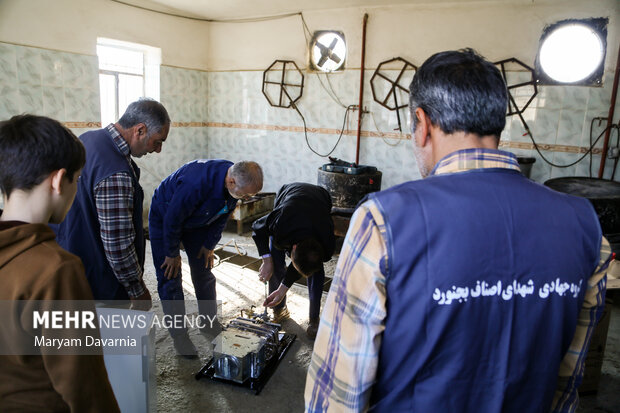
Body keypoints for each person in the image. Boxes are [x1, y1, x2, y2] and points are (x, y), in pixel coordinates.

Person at [305, 49, 611, 412]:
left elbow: (340, 387)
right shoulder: (584, 225)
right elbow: (566, 379)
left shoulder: (384, 220)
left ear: (422, 123)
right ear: (497, 121)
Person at [0, 114, 120, 412]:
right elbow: (84, 384)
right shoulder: (55, 269)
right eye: (77, 180)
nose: (76, 189)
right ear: (57, 180)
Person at [55, 98, 170, 310]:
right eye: (157, 141)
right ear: (140, 130)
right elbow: (118, 244)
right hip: (98, 278)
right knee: (108, 337)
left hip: (70, 258)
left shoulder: (89, 139)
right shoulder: (116, 173)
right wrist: (138, 290)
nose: (158, 150)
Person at [149, 159, 263, 357]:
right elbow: (172, 219)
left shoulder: (234, 180)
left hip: (198, 220)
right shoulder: (196, 183)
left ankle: (208, 322)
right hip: (165, 217)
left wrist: (209, 245)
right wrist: (172, 253)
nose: (244, 199)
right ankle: (180, 336)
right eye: (244, 195)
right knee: (170, 277)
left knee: (204, 271)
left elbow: (222, 215)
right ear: (232, 182)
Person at [252, 182, 335, 340]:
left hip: (320, 197)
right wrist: (267, 260)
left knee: (316, 270)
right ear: (293, 248)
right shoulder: (281, 222)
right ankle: (279, 308)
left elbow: (302, 265)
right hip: (289, 195)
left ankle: (314, 318)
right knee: (275, 258)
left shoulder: (327, 245)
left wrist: (283, 288)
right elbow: (257, 227)